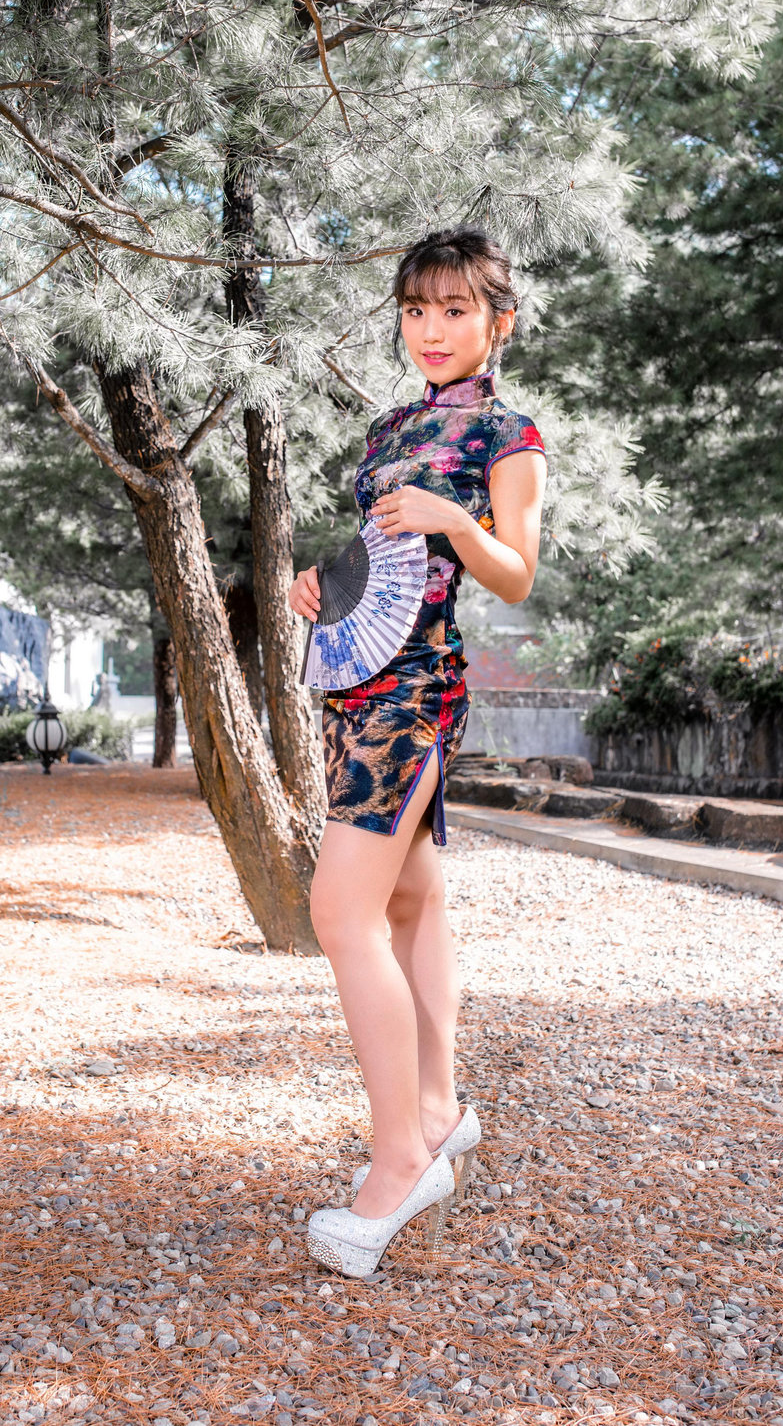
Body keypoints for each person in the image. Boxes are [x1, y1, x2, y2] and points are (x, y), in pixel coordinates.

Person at [288, 225, 548, 1278]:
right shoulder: (387, 428)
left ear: (498, 321)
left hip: (417, 697)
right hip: (356, 680)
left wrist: (455, 520)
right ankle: (437, 1107)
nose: (430, 329)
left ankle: (400, 1160)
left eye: (453, 310)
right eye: (414, 310)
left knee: (336, 912)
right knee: (407, 902)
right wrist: (322, 585)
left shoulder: (508, 435)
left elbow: (515, 573)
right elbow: (383, 563)